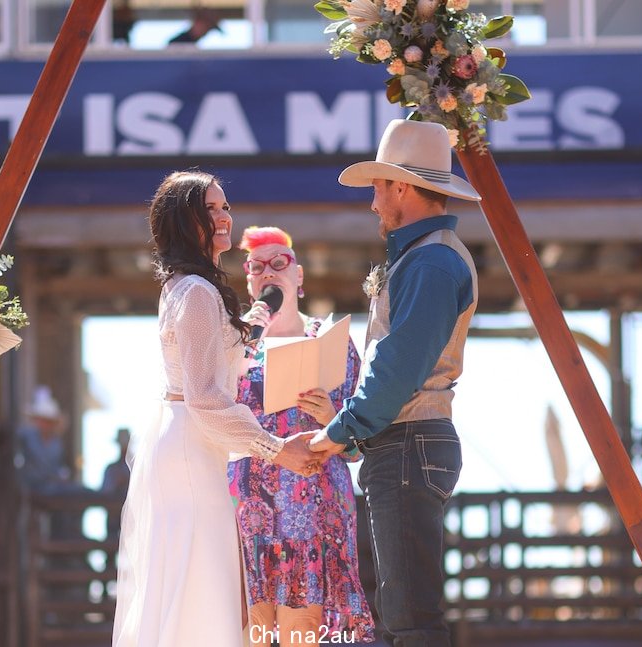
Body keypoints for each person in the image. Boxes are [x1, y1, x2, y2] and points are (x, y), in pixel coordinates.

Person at [112, 170, 323, 647]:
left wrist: (249, 327)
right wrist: (274, 449)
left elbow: (214, 360)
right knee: (202, 590)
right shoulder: (199, 294)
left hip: (186, 444)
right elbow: (206, 396)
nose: (224, 216)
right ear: (185, 220)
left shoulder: (185, 288)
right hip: (192, 447)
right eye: (210, 208)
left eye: (225, 206)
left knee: (186, 587)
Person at [309, 119, 482, 646]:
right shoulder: (429, 255)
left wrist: (339, 433)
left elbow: (397, 368)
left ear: (402, 187)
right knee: (406, 609)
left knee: (409, 614)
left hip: (407, 443)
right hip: (410, 442)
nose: (373, 203)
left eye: (379, 188)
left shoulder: (429, 260)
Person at [228, 226, 375, 646]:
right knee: (251, 632)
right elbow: (212, 419)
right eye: (257, 267)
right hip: (249, 508)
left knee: (302, 634)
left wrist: (333, 417)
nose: (268, 272)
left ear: (299, 276)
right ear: (249, 279)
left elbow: (358, 447)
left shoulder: (334, 343)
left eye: (280, 263)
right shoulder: (236, 344)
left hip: (312, 509)